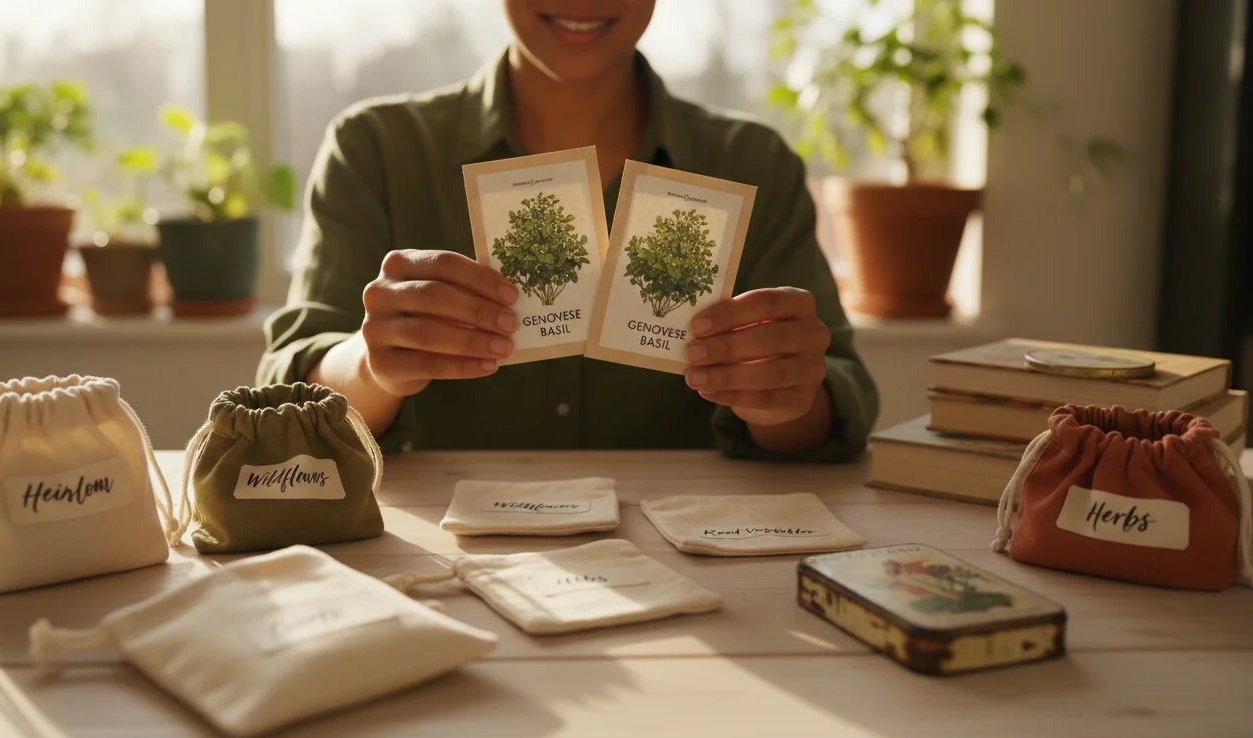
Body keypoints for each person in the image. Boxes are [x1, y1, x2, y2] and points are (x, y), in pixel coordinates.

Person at [257, 0, 879, 460]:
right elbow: (282, 390)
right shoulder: (376, 151)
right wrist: (371, 366)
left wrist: (786, 396)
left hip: (698, 567)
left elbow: (839, 399)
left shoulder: (753, 164)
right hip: (443, 563)